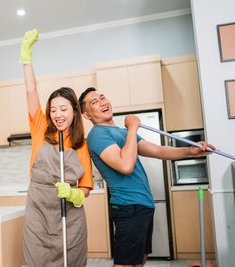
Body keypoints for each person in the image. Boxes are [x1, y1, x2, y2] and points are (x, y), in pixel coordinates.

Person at [78, 87, 215, 267]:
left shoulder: (123, 133)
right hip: (128, 205)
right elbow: (125, 165)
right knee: (126, 263)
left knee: (139, 261)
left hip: (142, 205)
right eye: (94, 102)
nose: (102, 102)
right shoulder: (98, 135)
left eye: (102, 98)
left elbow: (158, 151)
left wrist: (190, 151)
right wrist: (133, 129)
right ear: (87, 115)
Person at [20, 29, 93, 267]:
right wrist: (26, 58)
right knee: (35, 260)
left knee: (70, 260)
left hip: (69, 215)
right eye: (53, 110)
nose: (57, 114)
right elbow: (31, 91)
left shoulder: (81, 144)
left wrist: (74, 194)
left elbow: (86, 189)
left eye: (63, 109)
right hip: (38, 212)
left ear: (74, 110)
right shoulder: (40, 128)